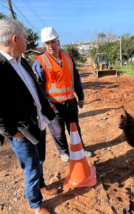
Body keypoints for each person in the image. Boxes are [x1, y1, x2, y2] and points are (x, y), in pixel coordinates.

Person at [0, 18, 57, 214]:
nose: (28, 41)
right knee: (31, 167)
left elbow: (34, 90)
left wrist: (46, 111)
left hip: (38, 123)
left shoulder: (23, 61)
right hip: (21, 132)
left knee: (40, 160)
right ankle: (35, 205)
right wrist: (15, 134)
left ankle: (42, 185)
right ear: (14, 38)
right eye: (25, 37)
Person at [32, 27, 92, 162]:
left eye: (52, 42)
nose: (50, 45)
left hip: (70, 102)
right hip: (54, 105)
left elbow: (76, 78)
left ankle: (80, 148)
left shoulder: (68, 57)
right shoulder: (40, 62)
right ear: (44, 45)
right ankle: (63, 151)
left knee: (74, 128)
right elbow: (37, 87)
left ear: (58, 42)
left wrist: (80, 96)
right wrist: (47, 104)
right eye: (47, 43)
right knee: (58, 131)